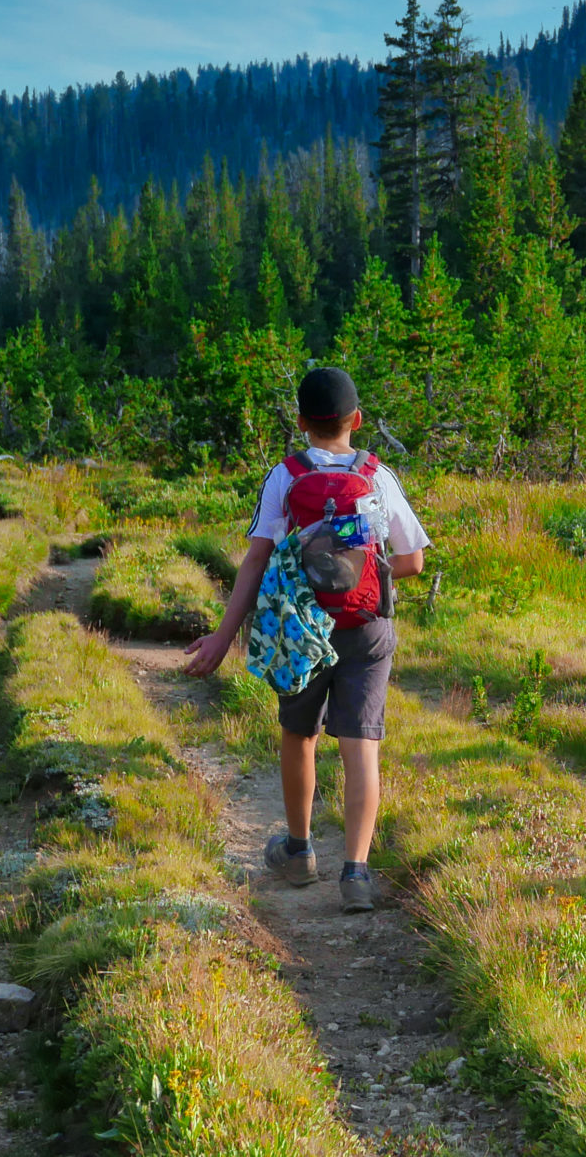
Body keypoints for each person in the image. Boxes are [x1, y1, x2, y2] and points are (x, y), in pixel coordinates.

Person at [185, 366, 429, 911]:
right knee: (361, 745)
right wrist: (360, 563)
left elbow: (255, 560)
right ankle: (357, 873)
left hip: (297, 627)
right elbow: (412, 559)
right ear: (356, 421)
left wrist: (224, 637)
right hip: (366, 628)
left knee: (300, 735)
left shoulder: (285, 477)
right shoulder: (377, 475)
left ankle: (298, 853)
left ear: (301, 422)